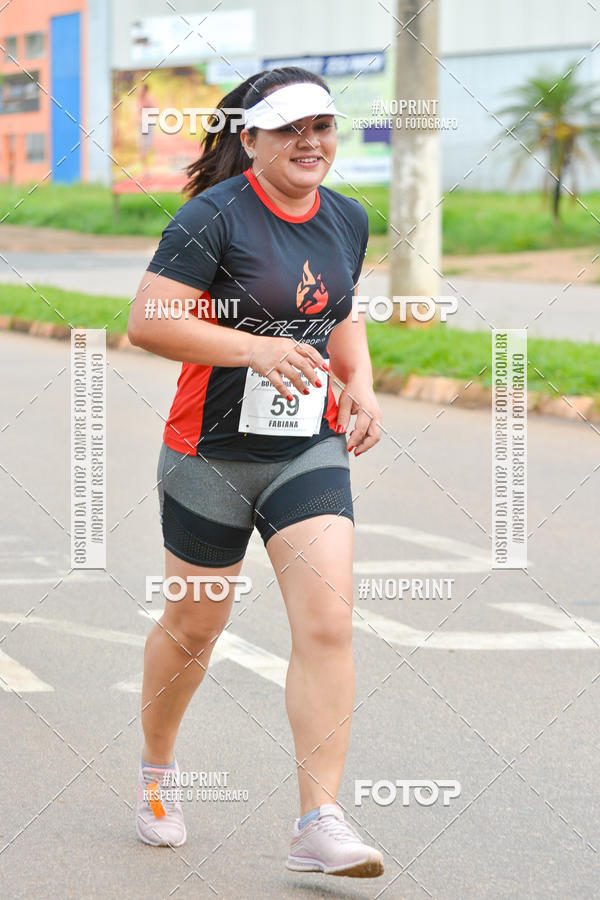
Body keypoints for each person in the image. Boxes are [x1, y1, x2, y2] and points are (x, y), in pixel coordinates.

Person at [127, 66, 384, 879]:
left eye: (323, 126)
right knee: (196, 626)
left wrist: (362, 385)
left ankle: (321, 820)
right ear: (252, 140)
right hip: (209, 450)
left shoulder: (347, 216)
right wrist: (255, 348)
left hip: (306, 447)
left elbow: (339, 308)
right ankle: (158, 774)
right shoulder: (214, 216)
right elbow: (148, 321)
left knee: (328, 621)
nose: (311, 143)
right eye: (290, 130)